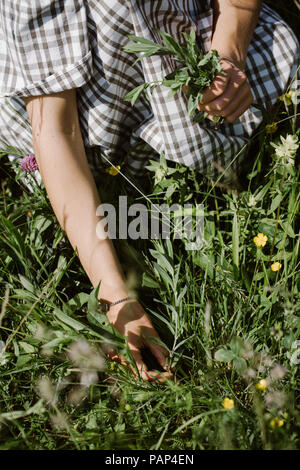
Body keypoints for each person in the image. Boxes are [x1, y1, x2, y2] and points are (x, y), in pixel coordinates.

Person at [0, 1, 298, 381]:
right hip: (97, 130)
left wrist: (228, 56)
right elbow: (57, 131)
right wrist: (117, 297)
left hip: (197, 43)